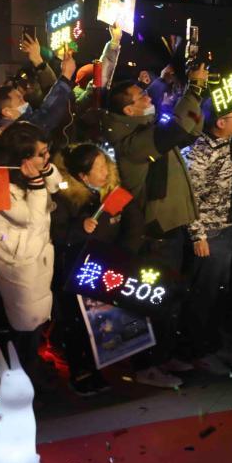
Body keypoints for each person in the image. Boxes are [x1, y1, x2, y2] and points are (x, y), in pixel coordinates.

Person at [101, 65, 206, 388]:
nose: (148, 96)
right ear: (128, 109)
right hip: (155, 234)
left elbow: (189, 128)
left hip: (169, 229)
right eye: (141, 95)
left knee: (170, 298)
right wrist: (195, 90)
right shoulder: (132, 141)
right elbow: (179, 128)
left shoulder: (145, 128)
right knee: (154, 301)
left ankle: (165, 355)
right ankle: (147, 365)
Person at [50, 143, 142, 396]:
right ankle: (81, 372)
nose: (105, 171)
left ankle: (105, 366)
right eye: (98, 168)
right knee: (78, 322)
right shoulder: (67, 198)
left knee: (104, 318)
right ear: (82, 176)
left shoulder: (114, 192)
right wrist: (80, 228)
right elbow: (56, 233)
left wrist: (124, 255)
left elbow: (133, 225)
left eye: (105, 164)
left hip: (109, 264)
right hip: (78, 268)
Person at [182, 99, 232, 374]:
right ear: (220, 123)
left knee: (221, 291)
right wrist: (198, 236)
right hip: (209, 233)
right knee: (203, 295)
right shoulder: (199, 152)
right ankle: (197, 351)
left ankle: (214, 345)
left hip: (228, 226)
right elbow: (189, 198)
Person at [0, 122, 62, 381]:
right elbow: (27, 218)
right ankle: (22, 377)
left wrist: (46, 171)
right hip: (16, 260)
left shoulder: (30, 172)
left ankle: (32, 368)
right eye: (42, 154)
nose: (47, 157)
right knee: (25, 323)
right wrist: (37, 184)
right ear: (23, 159)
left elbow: (58, 187)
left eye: (47, 152)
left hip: (36, 253)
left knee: (36, 320)